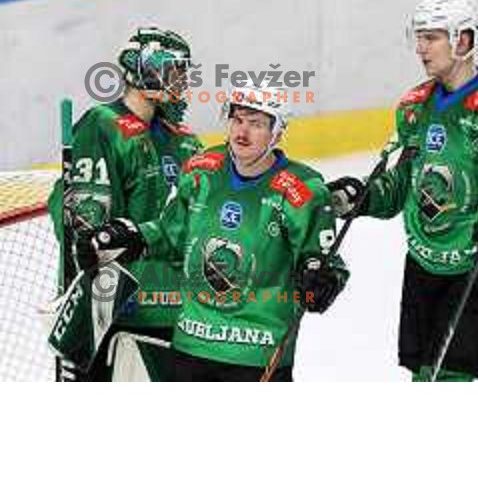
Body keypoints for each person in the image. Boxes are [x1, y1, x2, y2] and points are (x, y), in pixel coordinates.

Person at [328, 0, 478, 382]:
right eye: (418, 37)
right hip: (423, 263)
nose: (420, 49)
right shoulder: (414, 105)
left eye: (431, 37)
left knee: (447, 382)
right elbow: (399, 186)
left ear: (463, 41)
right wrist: (362, 197)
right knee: (424, 376)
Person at [77, 85, 349, 382]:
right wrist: (130, 237)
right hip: (193, 343)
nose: (242, 132)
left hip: (257, 353)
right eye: (237, 120)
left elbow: (323, 261)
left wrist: (324, 280)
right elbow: (170, 236)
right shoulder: (201, 171)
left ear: (277, 133)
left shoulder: (302, 188)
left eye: (256, 124)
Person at [47, 27, 203, 381]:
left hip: (178, 311)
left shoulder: (186, 143)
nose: (180, 81)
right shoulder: (104, 126)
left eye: (184, 73)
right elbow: (87, 226)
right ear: (144, 70)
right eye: (172, 71)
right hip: (117, 314)